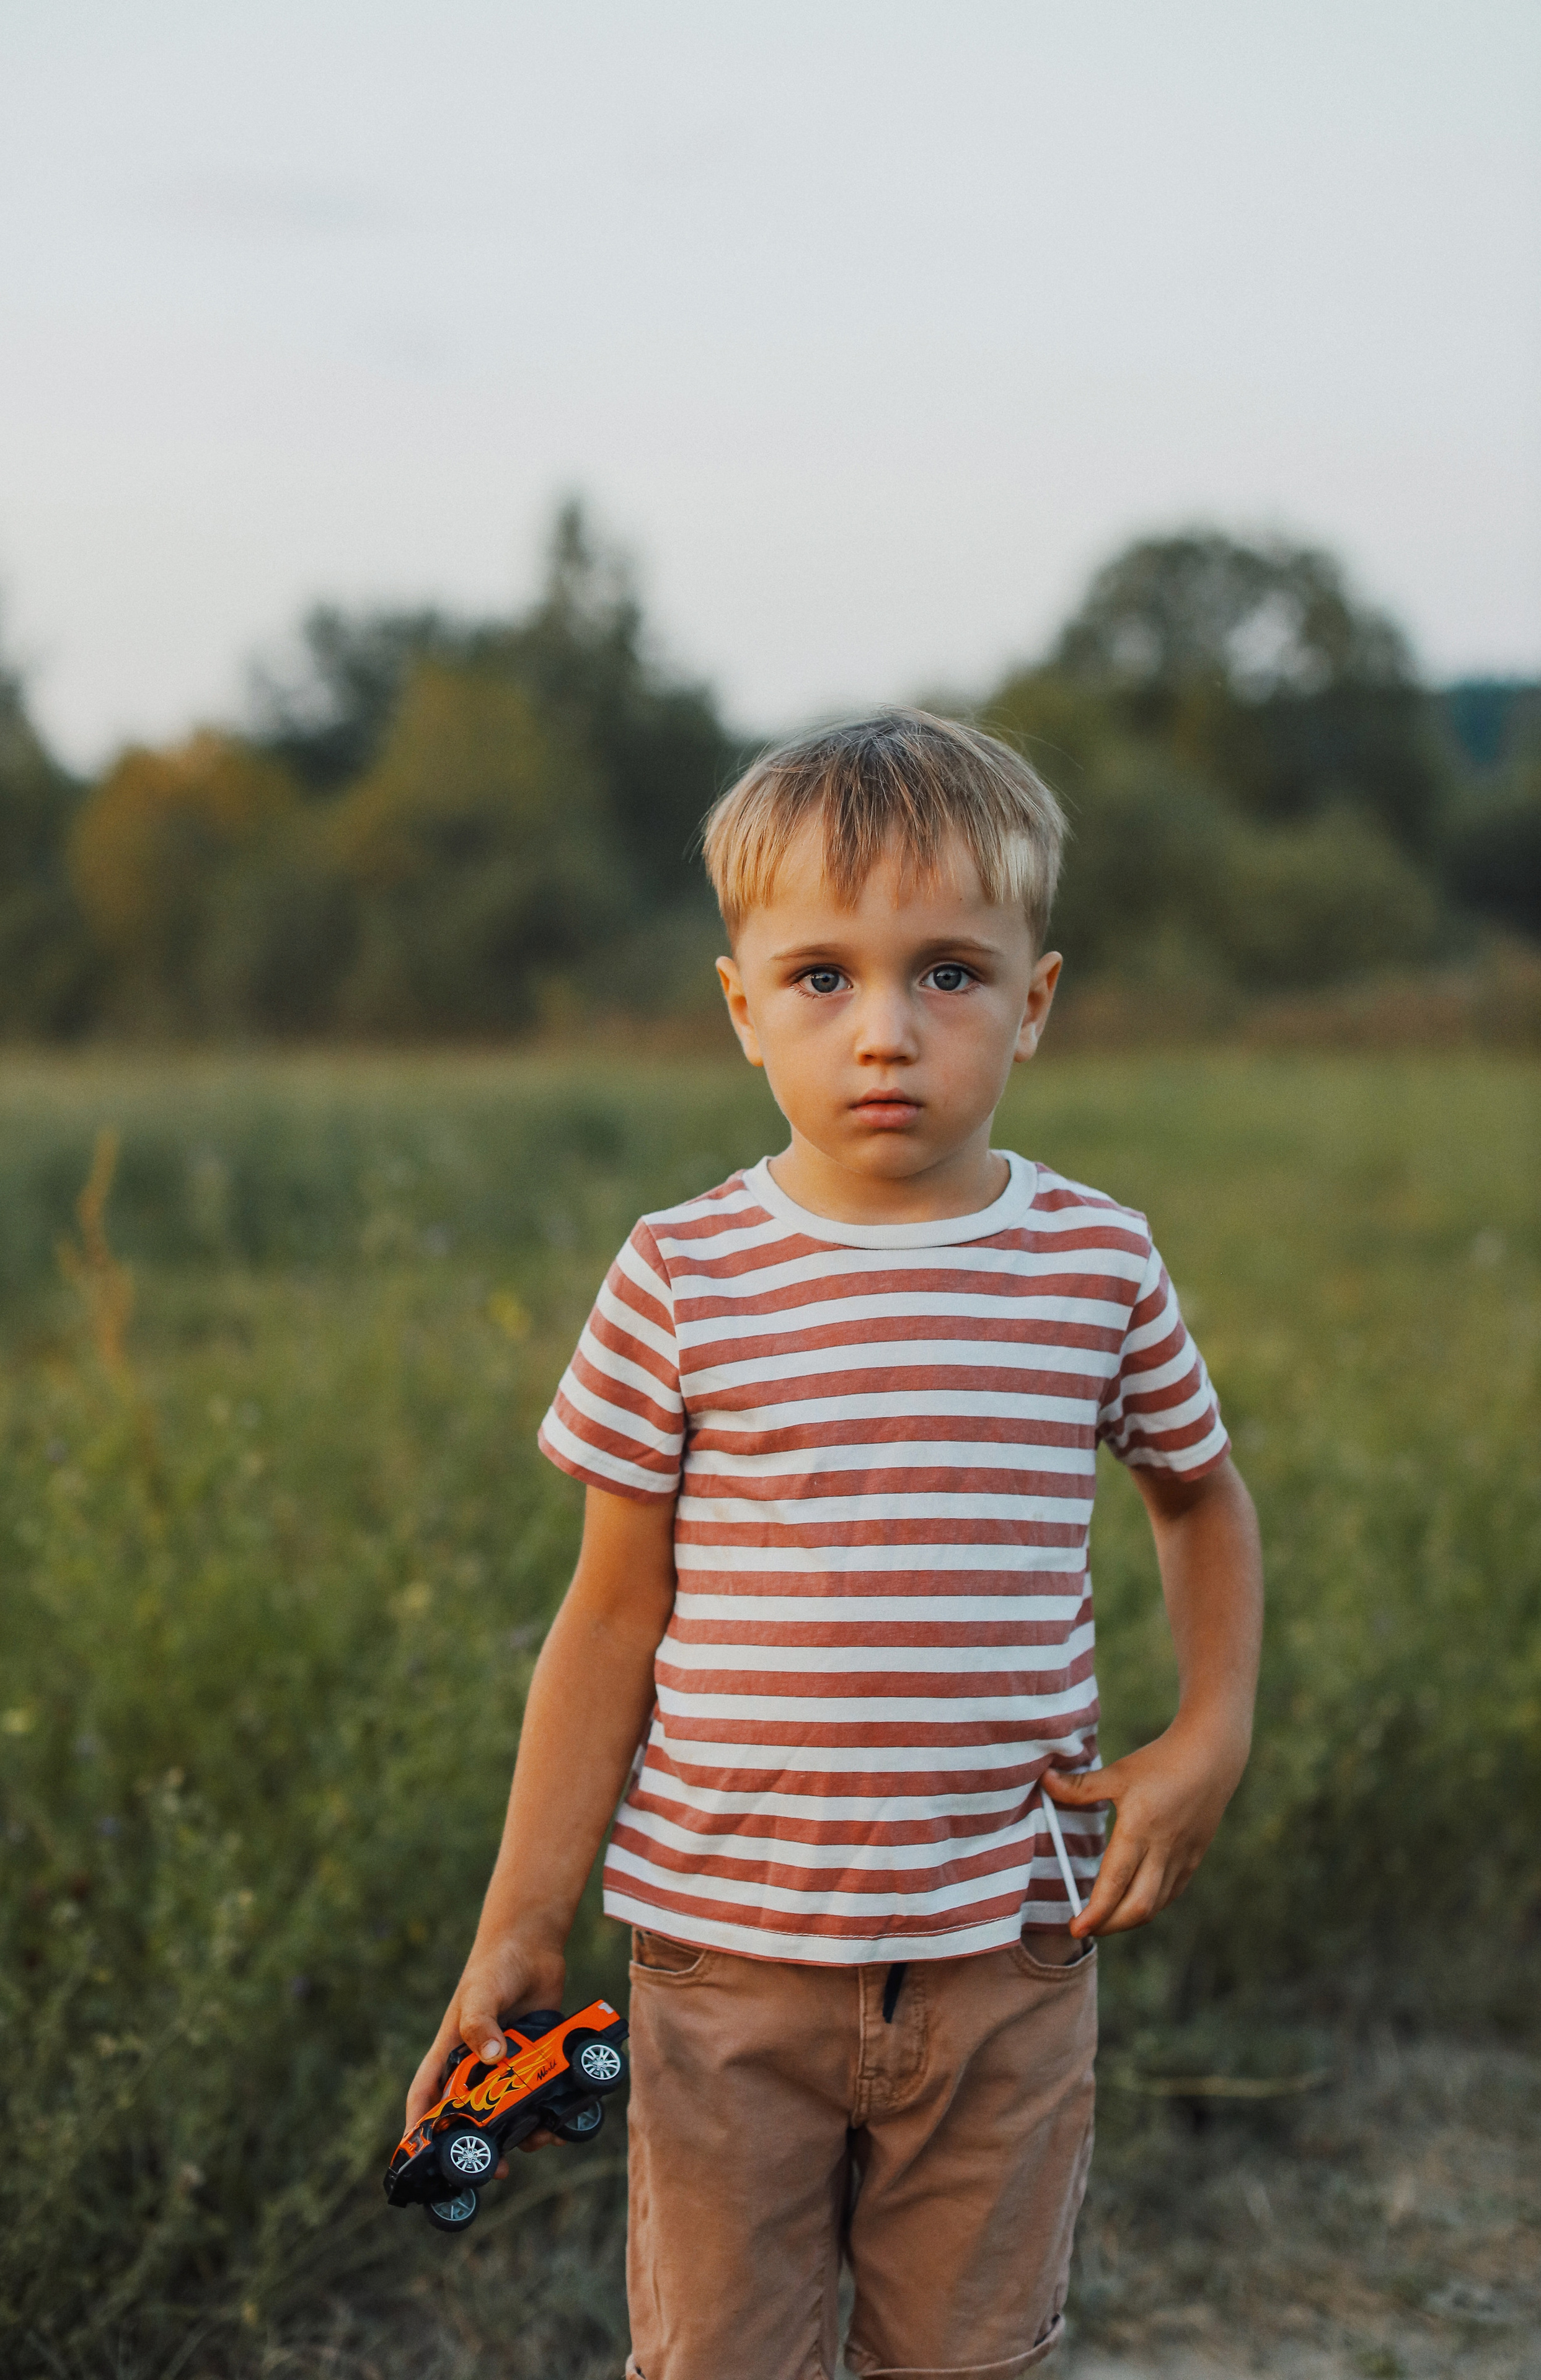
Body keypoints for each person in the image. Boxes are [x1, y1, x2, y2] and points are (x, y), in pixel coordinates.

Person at [406, 709, 1263, 2380]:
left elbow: (1200, 1493)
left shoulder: (1096, 1261)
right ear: (741, 1008)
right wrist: (524, 1917)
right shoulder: (683, 1275)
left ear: (1037, 1000)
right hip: (725, 1958)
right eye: (822, 977)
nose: (887, 1032)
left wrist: (1210, 1733)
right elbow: (607, 1615)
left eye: (949, 972)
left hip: (1007, 1942)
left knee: (974, 2352)